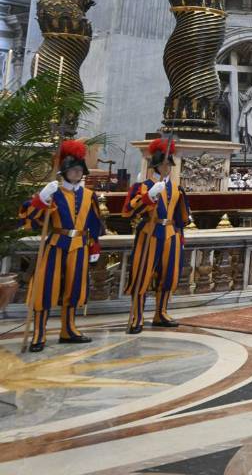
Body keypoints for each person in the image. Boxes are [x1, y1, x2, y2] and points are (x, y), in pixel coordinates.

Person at [19, 140, 105, 352]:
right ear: (64, 171)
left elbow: (94, 224)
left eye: (79, 170)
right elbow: (29, 220)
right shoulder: (53, 192)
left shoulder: (88, 195)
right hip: (56, 244)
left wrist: (94, 248)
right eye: (72, 170)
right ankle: (39, 332)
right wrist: (40, 199)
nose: (76, 173)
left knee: (74, 289)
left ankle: (69, 329)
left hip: (80, 246)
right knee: (45, 289)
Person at [124, 137, 190, 334]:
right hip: (149, 234)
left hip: (170, 234)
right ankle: (137, 315)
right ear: (155, 166)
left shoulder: (177, 188)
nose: (166, 168)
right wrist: (149, 196)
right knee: (142, 274)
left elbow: (181, 216)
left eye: (168, 164)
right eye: (162, 165)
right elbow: (128, 210)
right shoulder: (142, 186)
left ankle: (161, 312)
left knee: (168, 275)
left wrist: (181, 236)